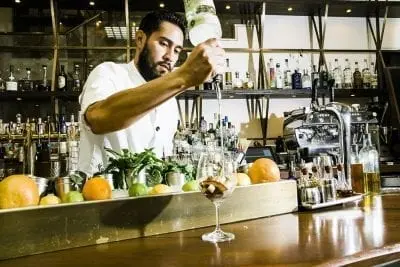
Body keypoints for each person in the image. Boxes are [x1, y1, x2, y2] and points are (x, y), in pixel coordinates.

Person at [78, 10, 225, 176]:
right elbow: (98, 119)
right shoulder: (108, 73)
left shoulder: (170, 98)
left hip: (148, 197)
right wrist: (183, 77)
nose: (170, 56)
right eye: (163, 44)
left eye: (177, 50)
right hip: (101, 195)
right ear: (140, 39)